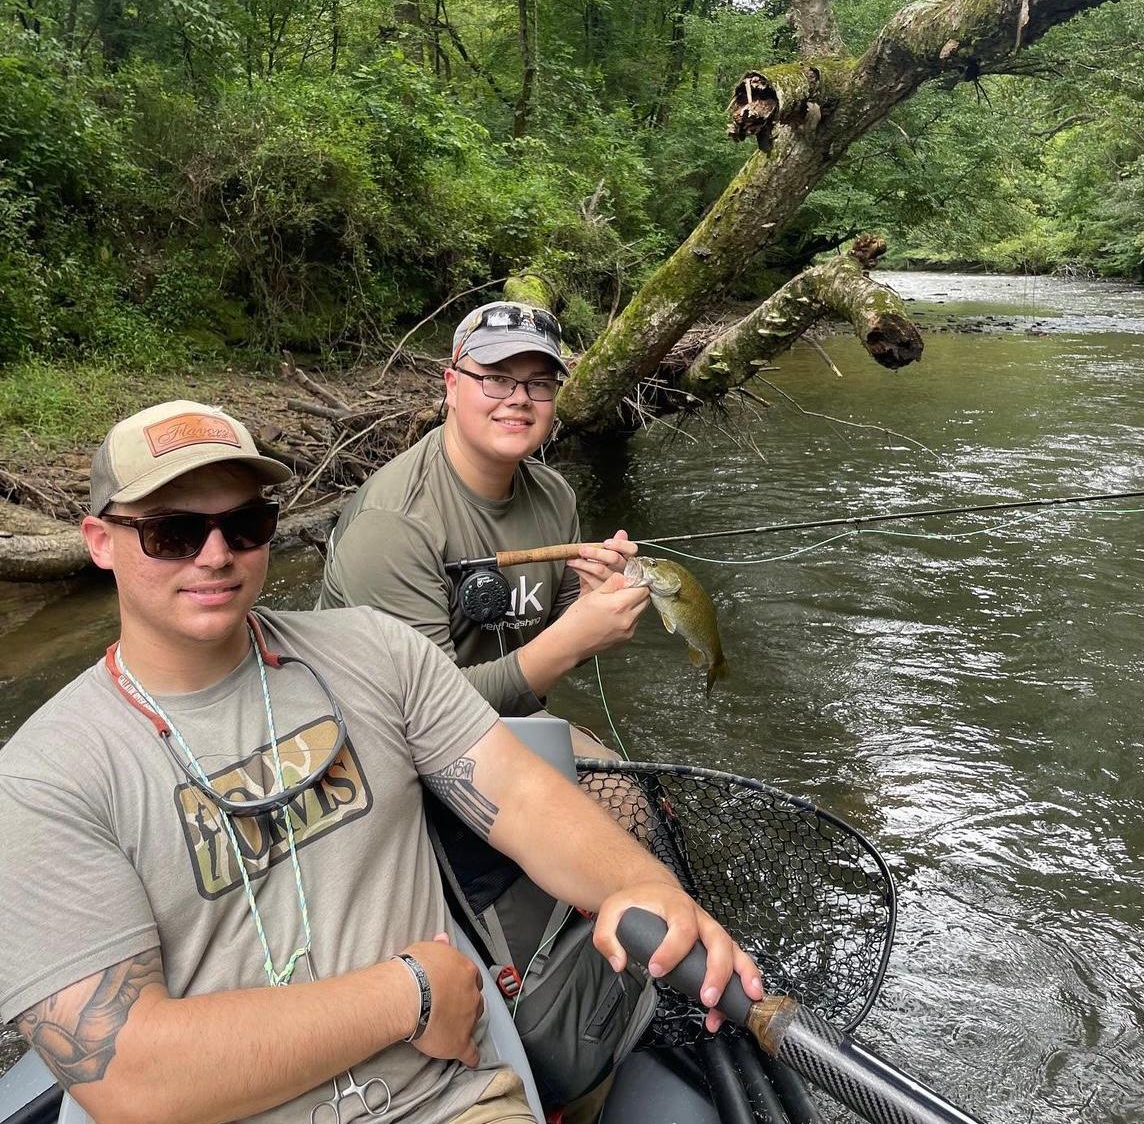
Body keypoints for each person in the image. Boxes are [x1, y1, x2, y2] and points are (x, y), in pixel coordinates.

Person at [0, 400, 762, 1124]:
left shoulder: (374, 651)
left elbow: (521, 793)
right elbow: (126, 1073)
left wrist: (640, 884)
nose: (216, 554)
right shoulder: (45, 777)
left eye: (246, 523)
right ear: (99, 540)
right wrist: (412, 995)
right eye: (171, 532)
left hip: (451, 1101)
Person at [318, 301, 649, 719]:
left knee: (625, 787)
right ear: (452, 386)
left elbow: (553, 641)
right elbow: (426, 712)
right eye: (496, 379)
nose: (519, 399)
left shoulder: (555, 495)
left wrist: (590, 608)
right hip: (377, 740)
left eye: (539, 384)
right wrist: (572, 641)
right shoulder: (394, 522)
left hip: (498, 722)